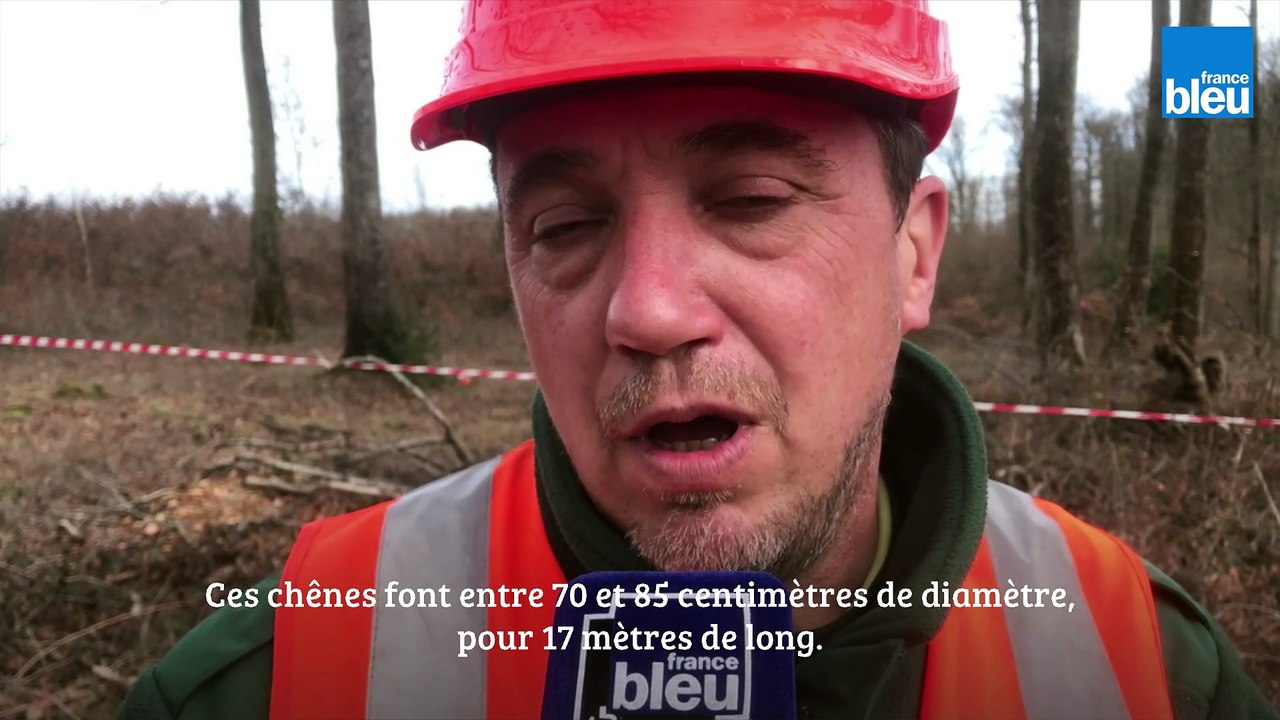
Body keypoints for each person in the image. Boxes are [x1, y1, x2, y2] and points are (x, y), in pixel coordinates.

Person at [119, 1, 1275, 718]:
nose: (649, 309)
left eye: (751, 200)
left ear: (912, 254)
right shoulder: (287, 673)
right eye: (565, 228)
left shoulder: (1140, 663)